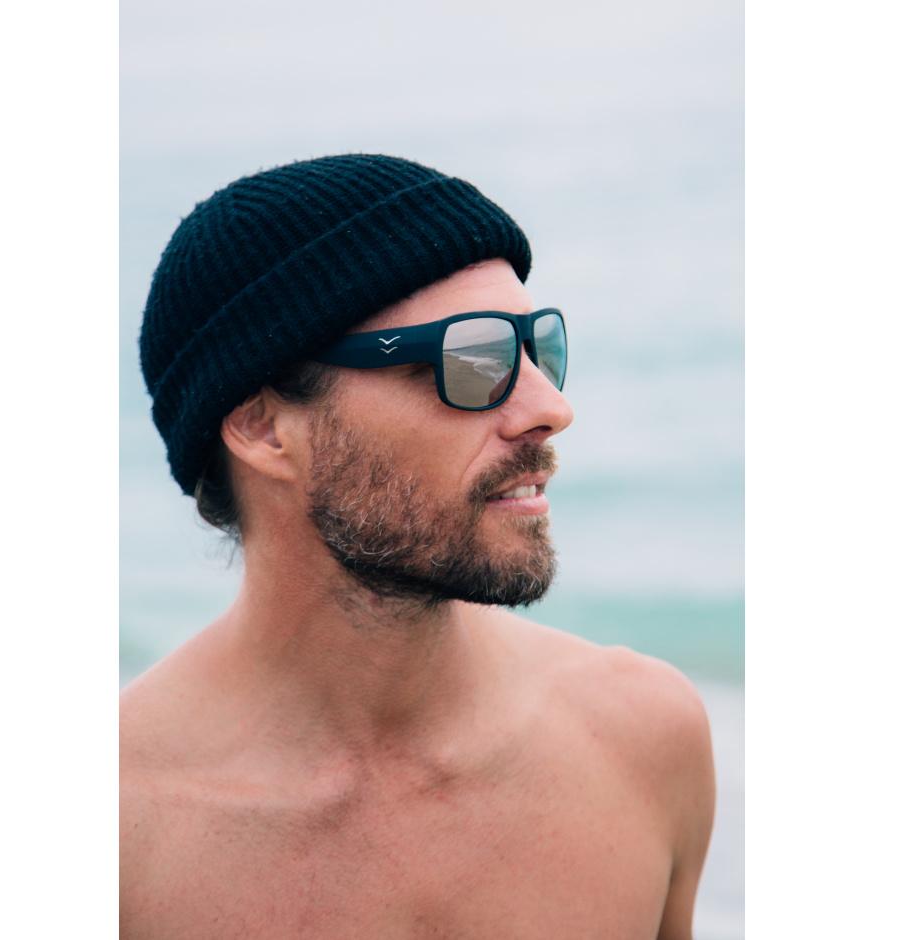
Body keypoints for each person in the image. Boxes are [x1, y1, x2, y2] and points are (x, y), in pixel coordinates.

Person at [121, 154, 715, 939]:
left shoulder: (644, 739)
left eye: (538, 348)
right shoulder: (119, 832)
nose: (550, 407)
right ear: (264, 427)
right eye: (472, 359)